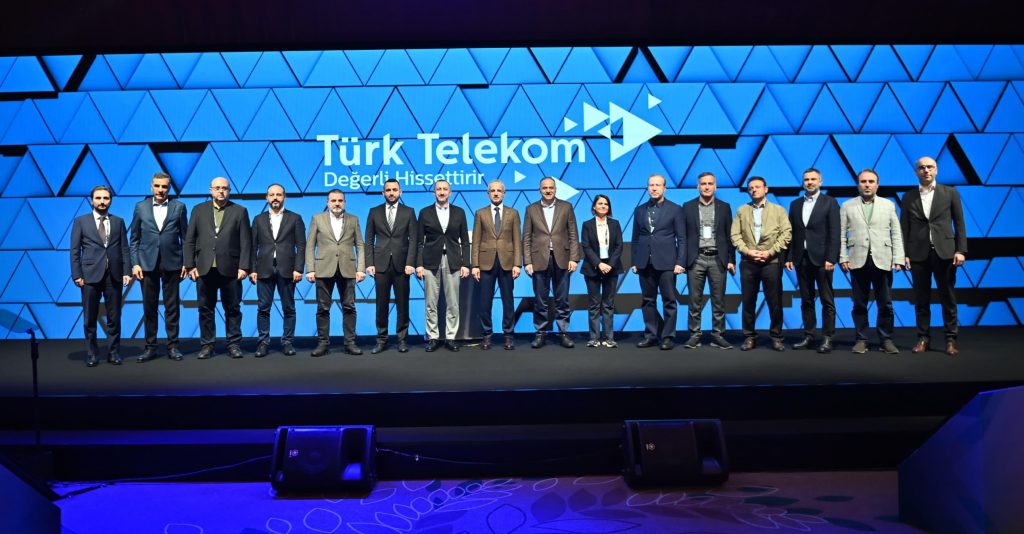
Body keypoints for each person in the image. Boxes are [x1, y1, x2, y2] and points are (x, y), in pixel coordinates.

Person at [901, 157, 967, 356]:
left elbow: (959, 223)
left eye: (930, 167)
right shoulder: (908, 196)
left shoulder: (950, 193)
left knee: (948, 298)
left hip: (945, 252)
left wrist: (960, 250)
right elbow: (904, 227)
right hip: (918, 254)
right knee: (921, 299)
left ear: (936, 170)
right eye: (922, 168)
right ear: (916, 172)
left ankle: (950, 340)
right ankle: (923, 338)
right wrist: (904, 254)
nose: (926, 170)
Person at [184, 177, 251, 360]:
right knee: (205, 309)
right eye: (217, 188)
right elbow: (190, 240)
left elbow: (246, 242)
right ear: (211, 190)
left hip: (231, 269)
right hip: (204, 268)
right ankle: (207, 345)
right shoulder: (198, 210)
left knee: (233, 309)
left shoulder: (240, 211)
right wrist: (190, 265)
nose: (221, 191)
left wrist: (244, 267)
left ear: (229, 191)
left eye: (225, 188)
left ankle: (234, 344)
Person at [840, 169, 905, 354]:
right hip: (857, 260)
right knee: (859, 304)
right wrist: (843, 257)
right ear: (858, 184)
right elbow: (841, 234)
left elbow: (896, 233)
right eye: (863, 181)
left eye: (871, 181)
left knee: (885, 304)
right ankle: (861, 339)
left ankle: (886, 339)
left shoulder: (888, 204)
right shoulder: (847, 205)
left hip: (883, 259)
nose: (867, 185)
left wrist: (898, 258)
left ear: (877, 184)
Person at [70, 185, 131, 367]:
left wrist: (127, 271)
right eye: (98, 198)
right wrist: (77, 274)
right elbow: (75, 251)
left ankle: (113, 353)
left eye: (106, 198)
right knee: (90, 318)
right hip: (89, 276)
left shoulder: (118, 221)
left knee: (114, 317)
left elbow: (124, 248)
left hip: (114, 275)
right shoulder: (81, 221)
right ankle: (92, 354)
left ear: (110, 201)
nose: (102, 201)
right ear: (92, 201)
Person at [130, 172, 187, 363]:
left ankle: (173, 346)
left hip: (173, 263)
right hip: (147, 264)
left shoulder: (179, 207)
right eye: (157, 186)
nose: (161, 190)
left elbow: (186, 238)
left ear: (169, 188)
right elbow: (134, 239)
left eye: (164, 186)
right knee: (149, 308)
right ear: (151, 187)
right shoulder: (140, 207)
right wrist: (135, 263)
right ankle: (150, 347)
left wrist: (186, 263)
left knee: (172, 308)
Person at [731, 176, 791, 352]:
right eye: (750, 188)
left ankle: (776, 337)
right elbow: (735, 235)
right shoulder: (742, 210)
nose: (754, 190)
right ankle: (749, 337)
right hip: (748, 262)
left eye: (757, 187)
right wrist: (748, 251)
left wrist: (770, 252)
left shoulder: (778, 210)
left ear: (766, 189)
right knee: (748, 301)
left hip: (771, 262)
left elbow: (786, 234)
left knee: (775, 301)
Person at [785, 168, 840, 353]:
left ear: (820, 181)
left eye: (813, 179)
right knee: (806, 300)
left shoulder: (830, 202)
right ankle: (809, 336)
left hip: (823, 259)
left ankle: (827, 337)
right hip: (801, 259)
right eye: (806, 179)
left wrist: (831, 257)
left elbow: (835, 232)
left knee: (827, 300)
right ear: (803, 182)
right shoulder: (795, 204)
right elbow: (792, 233)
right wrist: (789, 256)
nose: (809, 182)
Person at [306, 189, 365, 356]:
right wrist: (310, 269)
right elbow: (310, 245)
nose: (337, 203)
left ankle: (350, 343)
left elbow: (360, 245)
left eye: (340, 200)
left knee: (349, 307)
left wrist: (361, 268)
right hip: (323, 269)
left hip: (348, 269)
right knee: (323, 308)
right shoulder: (317, 218)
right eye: (333, 200)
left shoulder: (353, 219)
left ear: (345, 202)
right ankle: (322, 344)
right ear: (328, 203)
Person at [249, 183, 306, 358]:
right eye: (272, 195)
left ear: (284, 197)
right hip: (263, 268)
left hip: (288, 269)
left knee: (289, 308)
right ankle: (263, 342)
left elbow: (301, 246)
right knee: (263, 308)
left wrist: (298, 268)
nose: (275, 198)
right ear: (267, 198)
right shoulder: (258, 219)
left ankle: (287, 342)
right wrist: (252, 269)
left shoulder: (295, 218)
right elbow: (252, 247)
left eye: (279, 195)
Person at [523, 177, 580, 349]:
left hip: (562, 258)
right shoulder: (531, 209)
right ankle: (540, 333)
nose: (548, 190)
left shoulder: (566, 207)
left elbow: (573, 234)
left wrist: (574, 258)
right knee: (540, 300)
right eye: (544, 188)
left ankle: (563, 333)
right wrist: (527, 261)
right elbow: (526, 237)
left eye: (551, 188)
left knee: (562, 299)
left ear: (555, 189)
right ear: (539, 190)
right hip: (538, 259)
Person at [631, 173, 686, 350]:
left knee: (669, 301)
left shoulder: (675, 209)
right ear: (648, 188)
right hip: (644, 263)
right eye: (651, 185)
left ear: (664, 188)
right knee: (648, 300)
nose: (654, 188)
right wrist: (634, 261)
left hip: (667, 263)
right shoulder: (639, 210)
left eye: (658, 185)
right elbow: (635, 238)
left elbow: (682, 238)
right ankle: (651, 335)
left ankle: (668, 336)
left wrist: (680, 262)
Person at [681, 172, 735, 350]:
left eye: (710, 183)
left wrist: (731, 259)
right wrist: (682, 260)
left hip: (718, 258)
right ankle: (694, 335)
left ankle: (718, 335)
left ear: (715, 186)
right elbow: (683, 237)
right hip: (695, 258)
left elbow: (730, 235)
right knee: (694, 301)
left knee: (718, 301)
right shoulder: (687, 206)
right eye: (703, 183)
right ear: (698, 186)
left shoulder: (724, 207)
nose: (706, 186)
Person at [365, 178, 418, 354]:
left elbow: (414, 240)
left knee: (403, 304)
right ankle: (382, 340)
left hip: (402, 266)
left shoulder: (409, 212)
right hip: (380, 265)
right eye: (388, 190)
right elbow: (368, 240)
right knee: (381, 305)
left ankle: (402, 339)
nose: (391, 193)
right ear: (383, 193)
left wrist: (410, 263)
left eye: (395, 190)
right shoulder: (374, 212)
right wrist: (369, 263)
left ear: (400, 192)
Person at [416, 179, 470, 352]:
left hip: (453, 261)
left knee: (453, 303)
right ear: (434, 192)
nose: (441, 192)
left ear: (450, 192)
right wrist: (418, 264)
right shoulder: (425, 212)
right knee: (430, 303)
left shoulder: (459, 212)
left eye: (444, 189)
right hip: (430, 262)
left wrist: (466, 264)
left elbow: (465, 242)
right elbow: (419, 242)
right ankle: (432, 337)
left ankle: (450, 337)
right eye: (438, 189)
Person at [471, 179, 522, 350]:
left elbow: (517, 240)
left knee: (508, 301)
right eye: (492, 191)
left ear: (504, 194)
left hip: (507, 263)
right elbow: (476, 240)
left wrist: (518, 264)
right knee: (485, 302)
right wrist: (475, 265)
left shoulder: (513, 213)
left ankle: (508, 335)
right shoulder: (480, 213)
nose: (496, 193)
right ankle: (487, 335)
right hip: (486, 263)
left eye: (499, 190)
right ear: (488, 194)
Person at [580, 194, 622, 347]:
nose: (603, 206)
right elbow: (586, 246)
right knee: (594, 304)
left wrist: (610, 264)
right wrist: (599, 263)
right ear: (594, 207)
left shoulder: (615, 224)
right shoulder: (587, 224)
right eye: (600, 203)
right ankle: (594, 338)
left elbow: (619, 245)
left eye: (606, 204)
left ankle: (609, 338)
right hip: (592, 268)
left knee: (608, 304)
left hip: (612, 267)